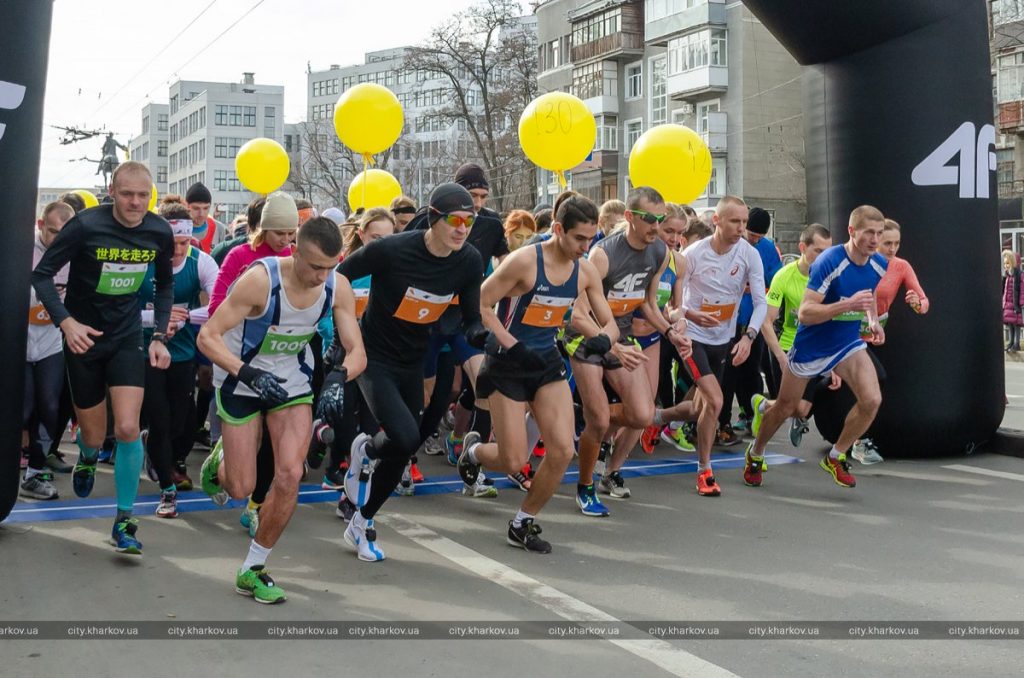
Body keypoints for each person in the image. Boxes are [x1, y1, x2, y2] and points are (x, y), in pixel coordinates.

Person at [197, 214, 365, 603]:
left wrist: (339, 377)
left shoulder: (336, 286)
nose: (323, 276)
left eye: (331, 266)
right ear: (295, 253)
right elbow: (209, 336)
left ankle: (253, 567)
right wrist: (248, 374)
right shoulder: (260, 280)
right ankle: (221, 462)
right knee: (241, 487)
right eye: (315, 266)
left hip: (292, 382)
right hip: (240, 378)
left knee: (290, 474)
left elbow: (357, 350)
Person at [337, 183, 486, 561]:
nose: (462, 228)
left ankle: (363, 519)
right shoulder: (392, 249)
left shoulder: (468, 260)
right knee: (403, 438)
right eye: (454, 220)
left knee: (406, 446)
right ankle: (366, 453)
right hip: (374, 357)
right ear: (433, 218)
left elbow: (470, 317)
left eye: (470, 221)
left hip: (415, 360)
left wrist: (480, 335)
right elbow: (339, 276)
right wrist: (346, 334)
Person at [459, 195, 617, 551]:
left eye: (591, 239)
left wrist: (603, 342)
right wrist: (509, 343)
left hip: (545, 362)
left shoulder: (585, 270)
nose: (585, 247)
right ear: (558, 230)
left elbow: (609, 323)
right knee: (513, 460)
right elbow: (481, 304)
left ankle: (523, 521)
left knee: (562, 450)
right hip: (507, 363)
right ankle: (473, 453)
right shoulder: (524, 262)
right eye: (579, 238)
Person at [31, 161, 174, 554]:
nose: (135, 202)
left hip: (126, 338)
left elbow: (165, 285)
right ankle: (89, 456)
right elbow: (41, 275)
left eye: (143, 195)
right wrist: (67, 323)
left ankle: (124, 521)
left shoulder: (158, 231)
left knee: (127, 428)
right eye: (127, 194)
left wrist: (159, 334)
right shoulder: (85, 226)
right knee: (94, 435)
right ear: (112, 191)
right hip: (84, 342)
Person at [564, 187, 691, 515]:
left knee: (642, 414)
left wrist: (669, 332)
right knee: (600, 418)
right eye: (650, 218)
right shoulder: (602, 255)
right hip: (587, 339)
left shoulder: (660, 253)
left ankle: (597, 441)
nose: (656, 225)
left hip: (620, 336)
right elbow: (577, 315)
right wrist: (612, 345)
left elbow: (647, 304)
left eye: (660, 219)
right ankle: (585, 485)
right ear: (631, 217)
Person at [743, 205, 888, 490]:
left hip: (846, 343)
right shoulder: (830, 262)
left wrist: (872, 320)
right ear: (851, 231)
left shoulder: (878, 263)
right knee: (787, 408)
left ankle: (836, 456)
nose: (874, 239)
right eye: (868, 232)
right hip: (812, 345)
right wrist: (847, 305)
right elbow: (806, 313)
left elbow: (868, 293)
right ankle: (756, 452)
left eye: (879, 233)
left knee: (872, 399)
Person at [653, 195, 766, 497]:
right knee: (715, 402)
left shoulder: (749, 255)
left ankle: (658, 419)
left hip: (724, 340)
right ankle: (704, 469)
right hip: (692, 339)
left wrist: (748, 336)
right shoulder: (693, 253)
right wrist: (689, 315)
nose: (741, 228)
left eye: (744, 222)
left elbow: (760, 302)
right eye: (735, 221)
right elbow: (672, 306)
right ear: (717, 221)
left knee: (700, 408)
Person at [209, 193, 299, 535]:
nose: (286, 241)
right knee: (241, 473)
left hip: (281, 361)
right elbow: (218, 303)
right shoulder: (240, 256)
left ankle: (255, 507)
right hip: (239, 360)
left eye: (292, 233)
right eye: (280, 233)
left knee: (275, 443)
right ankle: (221, 463)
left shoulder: (295, 258)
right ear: (263, 229)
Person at [141, 201, 218, 518]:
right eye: (171, 244)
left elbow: (220, 304)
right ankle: (167, 490)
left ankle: (165, 457)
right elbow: (119, 311)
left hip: (183, 352)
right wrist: (155, 318)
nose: (177, 250)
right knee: (160, 420)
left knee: (183, 422)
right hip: (145, 352)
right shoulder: (143, 262)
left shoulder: (201, 262)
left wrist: (185, 317)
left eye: (184, 243)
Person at [845, 218, 930, 465]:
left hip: (873, 333)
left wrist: (917, 304)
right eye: (887, 243)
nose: (892, 249)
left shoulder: (901, 266)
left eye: (897, 243)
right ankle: (795, 409)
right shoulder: (861, 262)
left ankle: (859, 441)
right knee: (870, 379)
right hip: (847, 330)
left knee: (870, 383)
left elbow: (923, 302)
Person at [756, 224, 834, 449]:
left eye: (827, 252)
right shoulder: (784, 276)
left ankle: (778, 408)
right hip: (792, 348)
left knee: (802, 406)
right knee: (794, 407)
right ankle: (765, 410)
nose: (823, 257)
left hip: (819, 348)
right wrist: (780, 356)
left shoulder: (830, 276)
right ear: (802, 247)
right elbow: (766, 321)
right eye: (818, 251)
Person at [22, 202, 75, 499]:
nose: (58, 239)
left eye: (64, 234)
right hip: (19, 340)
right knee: (22, 409)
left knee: (50, 407)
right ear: (41, 224)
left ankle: (34, 473)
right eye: (53, 231)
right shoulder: (21, 245)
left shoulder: (74, 252)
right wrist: (37, 293)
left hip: (50, 341)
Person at [718, 207, 782, 441]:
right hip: (728, 321)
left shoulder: (766, 249)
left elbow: (775, 283)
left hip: (754, 320)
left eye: (758, 236)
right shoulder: (730, 244)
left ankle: (751, 412)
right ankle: (723, 423)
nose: (754, 239)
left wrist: (757, 289)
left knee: (752, 370)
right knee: (727, 374)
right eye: (751, 234)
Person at [185, 182, 224, 254]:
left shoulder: (219, 229)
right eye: (196, 208)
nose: (201, 214)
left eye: (206, 208)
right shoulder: (178, 229)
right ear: (187, 206)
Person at [1003, 250, 1021, 353]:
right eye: (1004, 263)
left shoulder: (1018, 276)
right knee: (1010, 323)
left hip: (1015, 305)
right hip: (1008, 305)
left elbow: (1020, 291)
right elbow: (1005, 292)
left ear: (1013, 263)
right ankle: (1011, 342)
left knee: (1016, 324)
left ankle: (1016, 343)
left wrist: (1020, 304)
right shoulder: (1007, 276)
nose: (1005, 265)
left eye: (1007, 263)